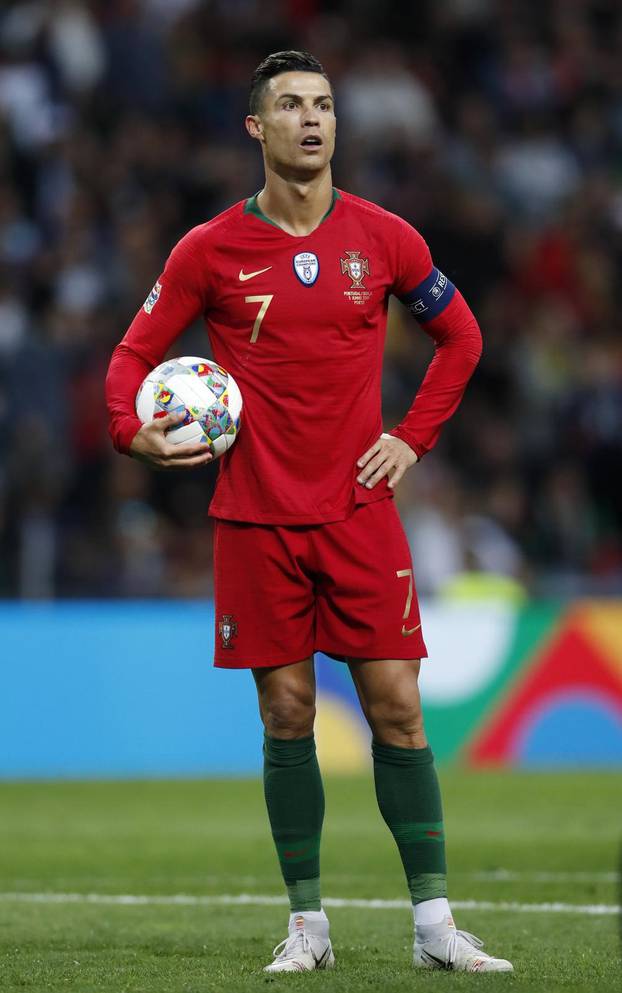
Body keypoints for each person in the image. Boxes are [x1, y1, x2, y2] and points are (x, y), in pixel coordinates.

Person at [106, 50, 513, 975]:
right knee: (287, 714)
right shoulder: (207, 250)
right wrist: (131, 433)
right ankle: (307, 924)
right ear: (257, 127)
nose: (312, 119)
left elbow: (462, 335)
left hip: (359, 511)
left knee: (399, 711)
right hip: (253, 517)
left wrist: (411, 438)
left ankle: (435, 925)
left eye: (323, 104)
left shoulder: (386, 238)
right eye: (290, 105)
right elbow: (131, 355)